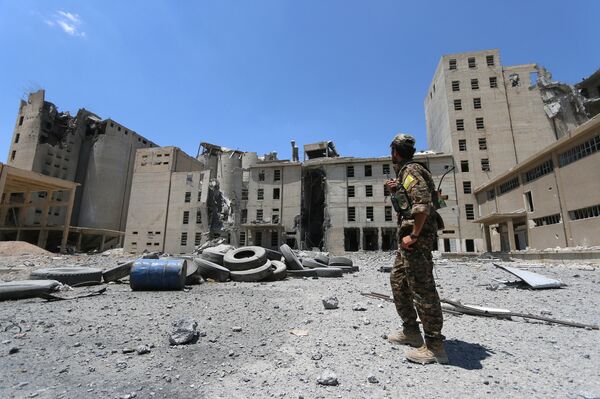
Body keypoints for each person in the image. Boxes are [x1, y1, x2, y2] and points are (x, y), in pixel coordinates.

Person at [384, 133, 447, 365]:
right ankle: (411, 331)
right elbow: (410, 203)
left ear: (395, 152)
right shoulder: (407, 173)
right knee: (398, 281)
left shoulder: (411, 172)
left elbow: (422, 206)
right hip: (409, 238)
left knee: (422, 288)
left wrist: (414, 235)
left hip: (415, 238)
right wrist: (394, 190)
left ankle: (434, 345)